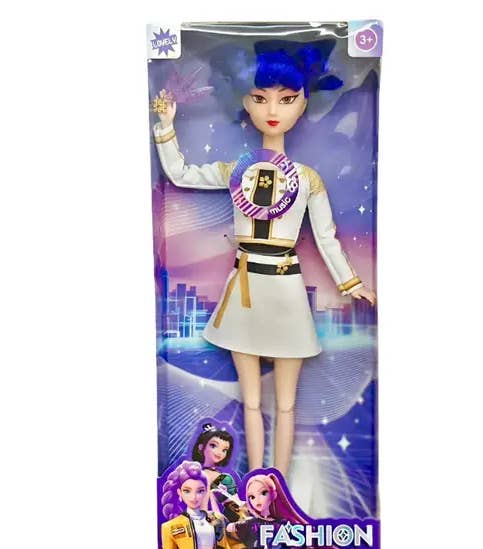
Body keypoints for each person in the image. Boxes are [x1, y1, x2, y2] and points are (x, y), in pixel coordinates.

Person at [153, 39, 376, 476]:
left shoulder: (307, 179)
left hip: (285, 291)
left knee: (286, 404)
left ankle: (279, 488)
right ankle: (256, 484)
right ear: (245, 101)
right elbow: (180, 173)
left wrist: (352, 284)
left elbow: (326, 237)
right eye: (260, 97)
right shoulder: (236, 169)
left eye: (286, 99)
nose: (273, 109)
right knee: (252, 400)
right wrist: (166, 126)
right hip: (245, 290)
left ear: (304, 103)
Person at [161, 461, 230, 549]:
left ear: (206, 492)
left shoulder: (218, 518)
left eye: (200, 491)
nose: (194, 497)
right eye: (187, 491)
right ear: (180, 493)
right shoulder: (169, 527)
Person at [226, 473, 307, 548]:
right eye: (252, 497)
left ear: (274, 494)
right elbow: (228, 528)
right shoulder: (250, 523)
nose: (257, 500)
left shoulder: (284, 524)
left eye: (263, 493)